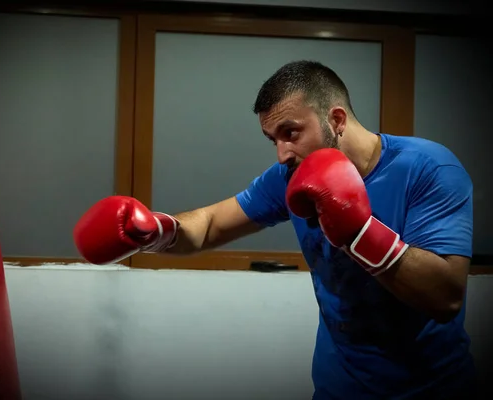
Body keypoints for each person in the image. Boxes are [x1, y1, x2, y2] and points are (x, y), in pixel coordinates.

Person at [73, 60, 477, 399]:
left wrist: (357, 232)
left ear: (336, 119)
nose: (282, 152)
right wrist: (160, 230)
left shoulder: (427, 169)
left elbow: (444, 297)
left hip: (434, 387)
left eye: (291, 133)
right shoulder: (289, 177)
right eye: (273, 139)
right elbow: (211, 225)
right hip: (338, 387)